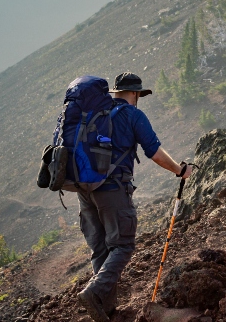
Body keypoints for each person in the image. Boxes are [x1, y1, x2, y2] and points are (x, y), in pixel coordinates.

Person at [76, 72, 193, 322]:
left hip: (84, 190)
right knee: (123, 245)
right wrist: (180, 170)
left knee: (101, 249)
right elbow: (155, 152)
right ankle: (94, 292)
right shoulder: (132, 115)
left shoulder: (94, 114)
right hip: (113, 189)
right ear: (136, 94)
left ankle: (105, 310)